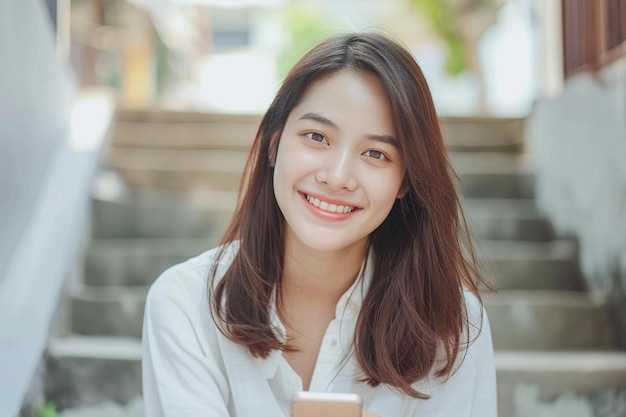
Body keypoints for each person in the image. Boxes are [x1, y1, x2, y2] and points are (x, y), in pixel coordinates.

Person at [142, 32, 497, 417]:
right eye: (317, 136)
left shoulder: (452, 325)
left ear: (405, 181)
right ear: (274, 143)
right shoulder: (187, 304)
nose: (338, 176)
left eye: (376, 153)